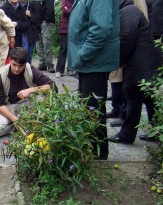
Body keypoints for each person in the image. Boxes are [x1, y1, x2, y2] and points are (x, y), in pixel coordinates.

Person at [68, 0, 119, 160]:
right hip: (89, 63)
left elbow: (101, 29)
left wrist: (83, 54)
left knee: (93, 109)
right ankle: (90, 148)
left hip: (93, 61)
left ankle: (97, 153)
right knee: (88, 107)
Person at [108, 0, 159, 144]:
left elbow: (126, 38)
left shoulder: (128, 11)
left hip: (140, 63)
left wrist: (118, 61)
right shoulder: (130, 10)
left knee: (134, 96)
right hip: (146, 61)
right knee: (149, 99)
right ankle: (156, 131)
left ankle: (127, 134)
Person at [0, 47, 54, 137]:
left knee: (44, 97)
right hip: (7, 107)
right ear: (9, 60)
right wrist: (16, 120)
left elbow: (52, 87)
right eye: (14, 65)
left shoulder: (31, 70)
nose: (17, 69)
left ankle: (22, 125)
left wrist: (31, 90)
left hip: (27, 105)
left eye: (20, 66)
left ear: (25, 64)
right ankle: (23, 125)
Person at [31, 0, 55, 72]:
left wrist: (47, 20)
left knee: (46, 43)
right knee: (38, 43)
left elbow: (50, 8)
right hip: (37, 22)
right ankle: (42, 63)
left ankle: (49, 64)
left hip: (46, 22)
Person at [54, 0, 72, 78]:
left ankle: (70, 68)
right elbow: (64, 11)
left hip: (74, 28)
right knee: (63, 48)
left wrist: (69, 10)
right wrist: (73, 11)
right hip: (65, 28)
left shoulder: (76, 1)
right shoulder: (65, 0)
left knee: (72, 49)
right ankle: (59, 70)